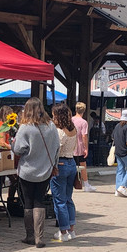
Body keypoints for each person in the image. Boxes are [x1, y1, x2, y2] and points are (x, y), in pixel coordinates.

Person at [11, 97, 59, 249]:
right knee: (39, 200)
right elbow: (57, 147)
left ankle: (30, 236)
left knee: (28, 202)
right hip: (45, 169)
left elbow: (18, 149)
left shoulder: (25, 127)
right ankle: (40, 237)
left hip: (27, 170)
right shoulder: (51, 126)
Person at [49, 102, 78, 242]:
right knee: (68, 199)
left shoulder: (59, 132)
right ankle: (71, 229)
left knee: (59, 200)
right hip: (71, 162)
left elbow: (56, 150)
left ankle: (63, 231)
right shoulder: (73, 129)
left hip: (60, 163)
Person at [72, 102, 95, 192]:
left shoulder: (71, 120)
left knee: (71, 165)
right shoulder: (84, 122)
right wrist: (86, 148)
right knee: (83, 165)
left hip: (70, 146)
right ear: (84, 111)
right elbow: (84, 136)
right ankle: (86, 184)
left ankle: (71, 183)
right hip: (79, 146)